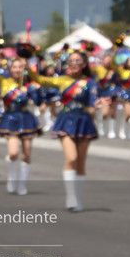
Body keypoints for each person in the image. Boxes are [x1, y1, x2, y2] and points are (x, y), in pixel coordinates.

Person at [29, 51, 98, 212]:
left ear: (85, 64)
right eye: (71, 61)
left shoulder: (90, 82)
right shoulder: (62, 80)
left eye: (78, 61)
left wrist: (94, 108)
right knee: (71, 158)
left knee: (80, 162)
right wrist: (28, 66)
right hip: (66, 121)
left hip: (84, 121)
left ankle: (78, 198)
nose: (74, 63)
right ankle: (71, 196)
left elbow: (93, 102)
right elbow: (41, 79)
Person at [0, 58, 41, 195]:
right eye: (15, 67)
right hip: (10, 119)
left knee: (26, 153)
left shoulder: (29, 85)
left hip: (26, 119)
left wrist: (37, 89)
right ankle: (12, 177)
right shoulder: (4, 82)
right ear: (10, 69)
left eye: (20, 67)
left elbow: (38, 102)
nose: (18, 70)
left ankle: (22, 184)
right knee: (13, 153)